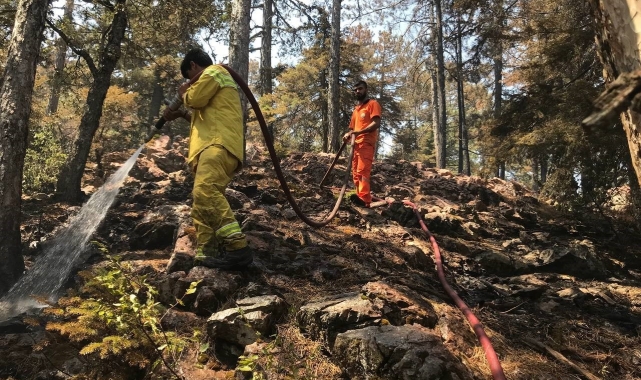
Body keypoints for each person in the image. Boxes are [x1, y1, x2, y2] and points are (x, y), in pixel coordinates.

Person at [163, 48, 252, 270]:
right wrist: (181, 114)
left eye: (189, 77)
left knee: (205, 192)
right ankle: (207, 252)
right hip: (210, 146)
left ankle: (237, 249)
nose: (190, 82)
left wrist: (184, 93)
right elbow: (203, 115)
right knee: (201, 203)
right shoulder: (215, 80)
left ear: (193, 65)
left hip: (217, 144)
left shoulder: (214, 72)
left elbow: (197, 99)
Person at [343, 80, 382, 208]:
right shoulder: (356, 110)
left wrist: (359, 132)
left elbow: (375, 123)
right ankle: (359, 198)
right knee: (355, 173)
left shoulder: (373, 104)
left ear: (366, 89)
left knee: (363, 172)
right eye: (355, 90)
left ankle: (365, 200)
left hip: (366, 143)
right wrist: (348, 134)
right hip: (355, 145)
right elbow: (352, 128)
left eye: (360, 89)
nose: (357, 91)